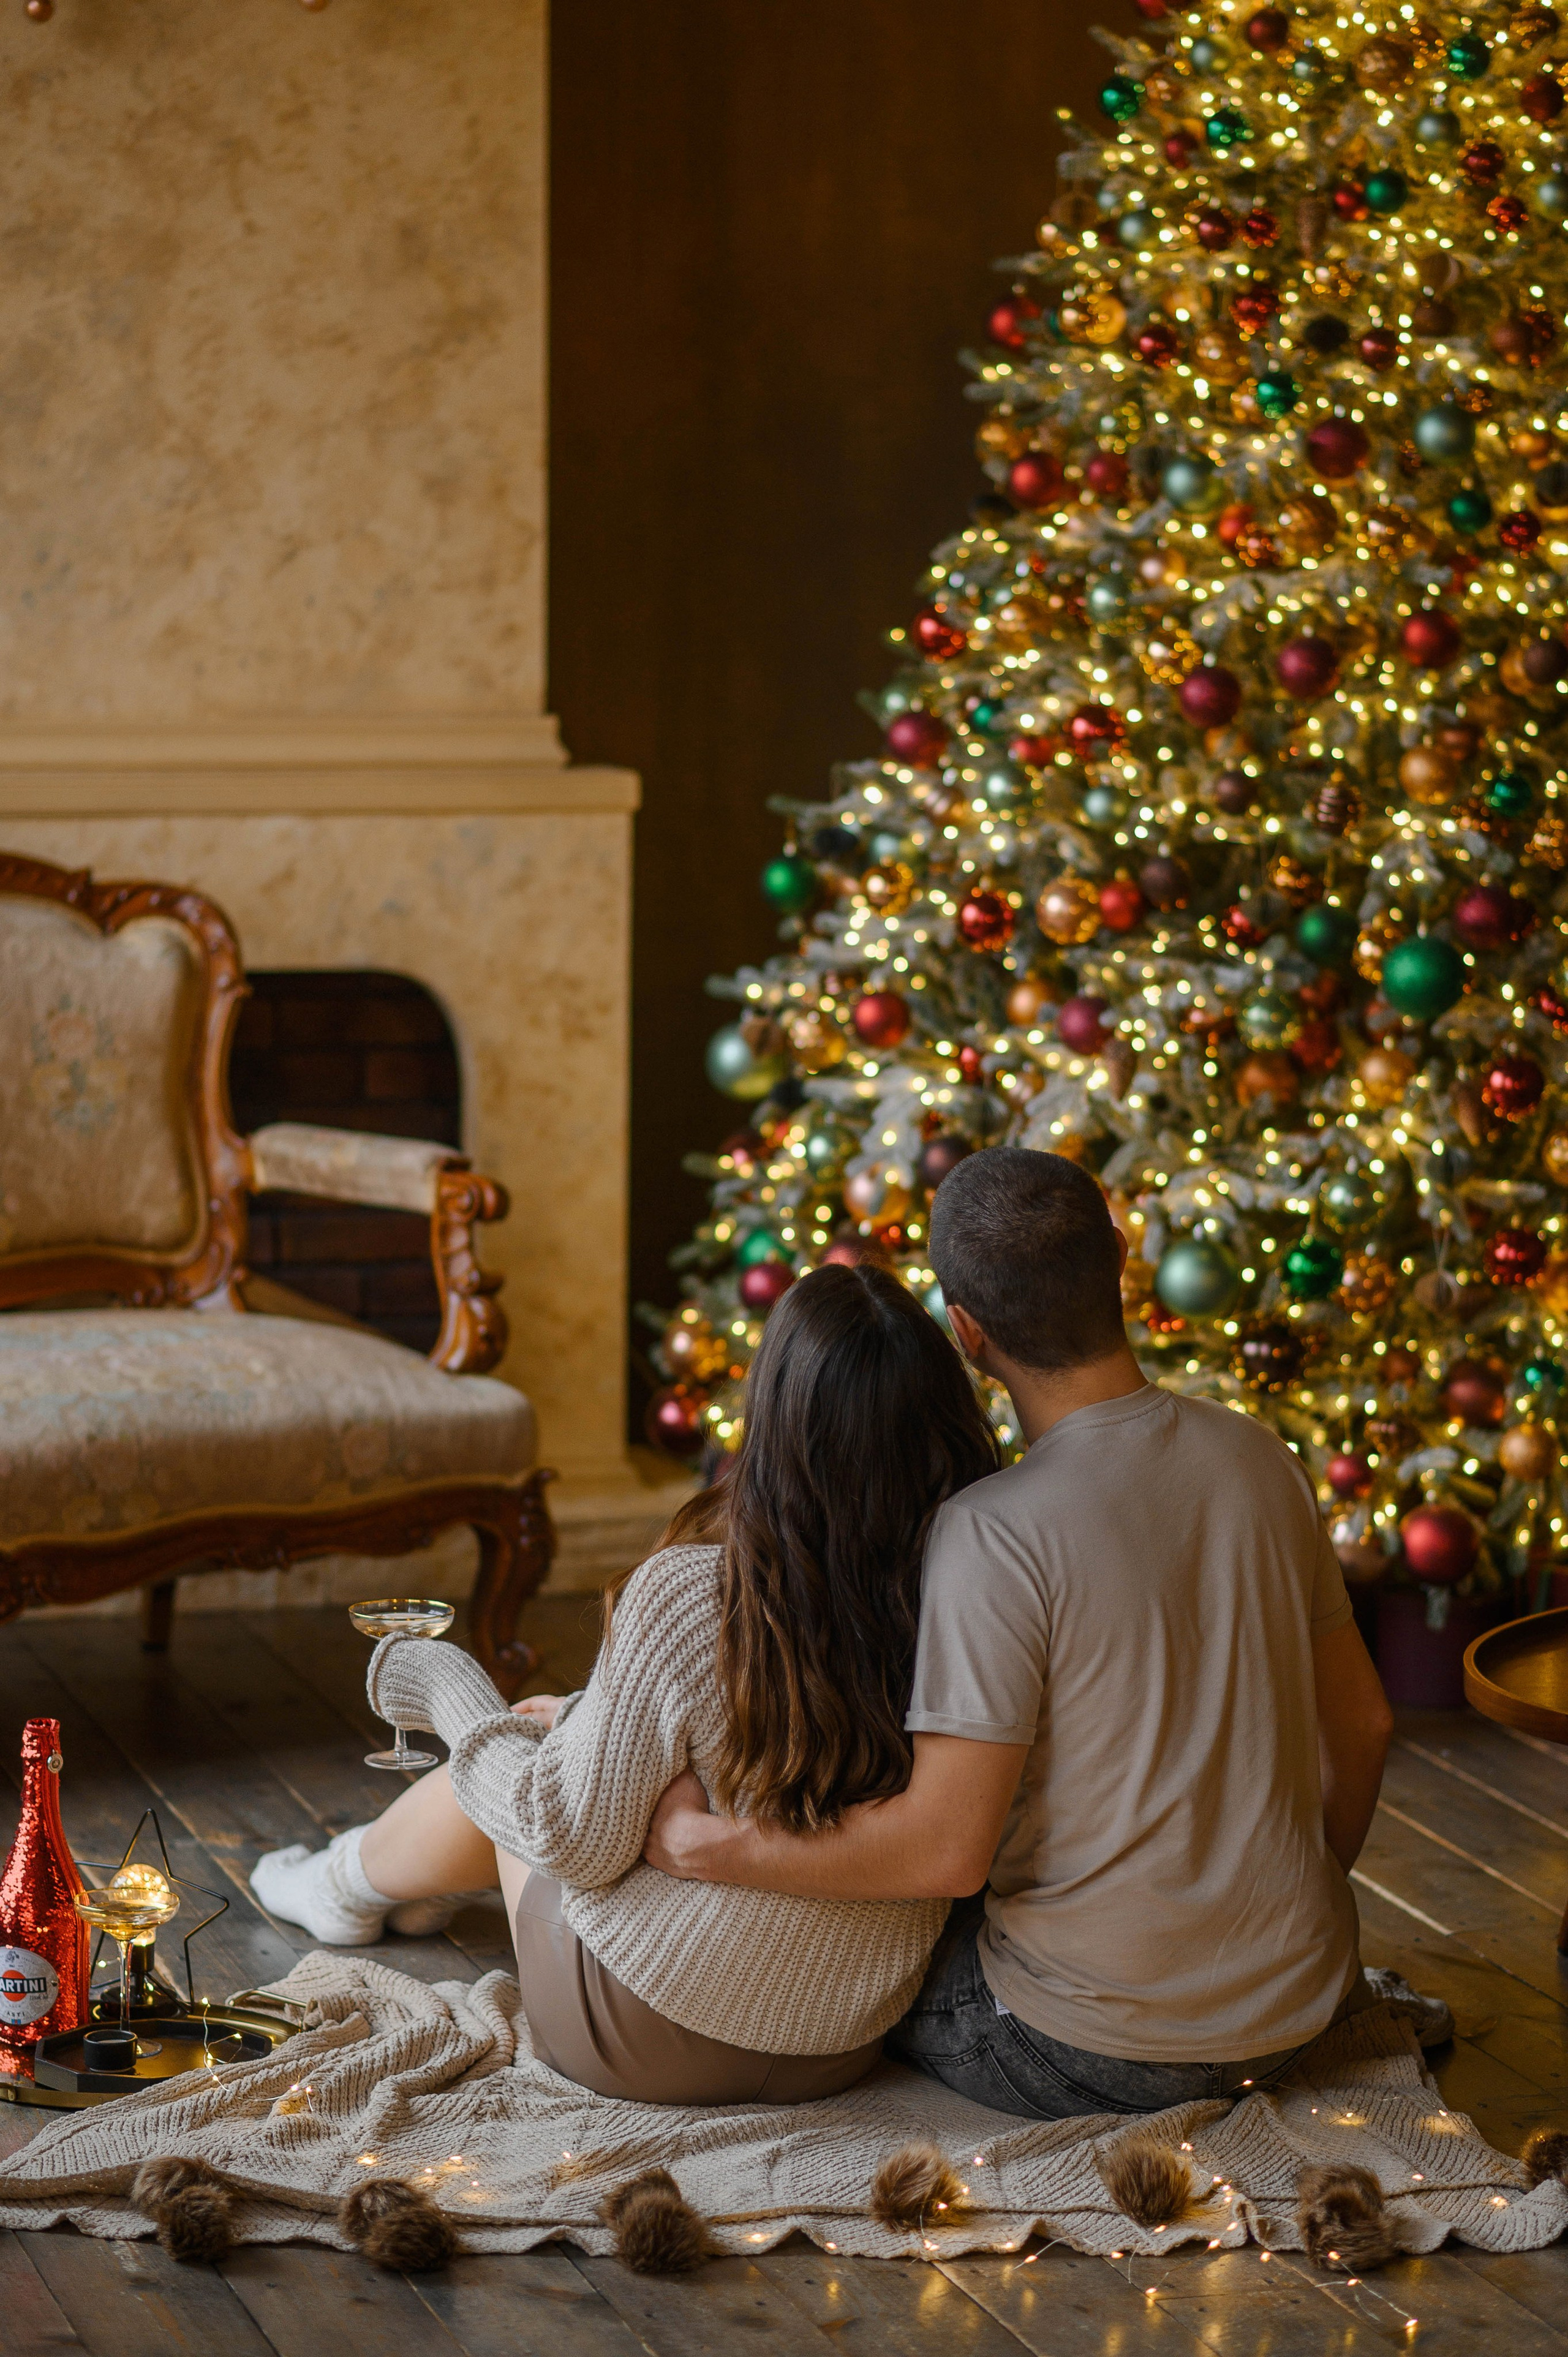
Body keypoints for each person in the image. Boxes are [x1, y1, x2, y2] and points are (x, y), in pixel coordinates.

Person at [644, 1146, 1395, 2120]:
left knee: (855, 1972)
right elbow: (1367, 1726)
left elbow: (943, 1854)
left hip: (1087, 2048)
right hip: (1302, 2011)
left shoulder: (992, 1531)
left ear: (967, 1333)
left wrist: (714, 1848)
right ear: (1120, 1258)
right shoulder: (1262, 1458)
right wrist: (1270, 1928)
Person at [250, 1259, 1000, 2105]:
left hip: (646, 2038)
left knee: (529, 1765)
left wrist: (454, 1697)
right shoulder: (985, 1585)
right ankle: (379, 1882)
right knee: (566, 1737)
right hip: (841, 2040)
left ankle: (346, 1882)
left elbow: (568, 1833)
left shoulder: (693, 1592)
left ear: (779, 1420)